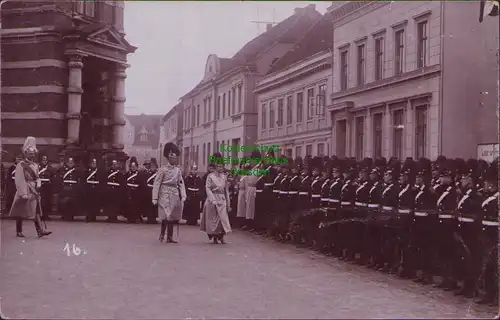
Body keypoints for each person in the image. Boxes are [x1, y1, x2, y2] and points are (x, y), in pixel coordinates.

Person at [9, 136, 52, 238]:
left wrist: (38, 183)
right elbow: (19, 179)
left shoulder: (36, 165)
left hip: (33, 190)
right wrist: (23, 193)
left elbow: (37, 177)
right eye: (30, 153)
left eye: (33, 153)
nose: (32, 155)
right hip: (24, 189)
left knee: (36, 210)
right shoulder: (21, 165)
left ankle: (40, 230)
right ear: (26, 153)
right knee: (21, 210)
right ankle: (18, 231)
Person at [153, 143, 186, 243]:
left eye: (175, 158)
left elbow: (181, 183)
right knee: (166, 215)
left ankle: (170, 237)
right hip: (164, 192)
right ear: (169, 158)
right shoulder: (163, 169)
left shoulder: (177, 170)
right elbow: (157, 183)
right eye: (172, 158)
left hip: (174, 193)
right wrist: (154, 197)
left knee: (172, 215)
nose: (174, 160)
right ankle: (162, 234)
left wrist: (183, 194)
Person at [200, 152, 232, 244]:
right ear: (215, 167)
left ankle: (221, 236)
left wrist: (228, 204)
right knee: (214, 219)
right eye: (218, 166)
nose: (220, 168)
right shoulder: (210, 176)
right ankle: (214, 236)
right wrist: (212, 199)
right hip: (213, 199)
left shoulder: (224, 177)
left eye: (222, 166)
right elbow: (208, 188)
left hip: (222, 199)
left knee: (223, 218)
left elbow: (226, 190)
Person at [125, 157, 144, 223]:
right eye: (132, 166)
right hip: (129, 192)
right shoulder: (127, 174)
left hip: (137, 192)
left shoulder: (139, 174)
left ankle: (136, 218)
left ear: (136, 167)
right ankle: (130, 218)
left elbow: (141, 184)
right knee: (129, 205)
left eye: (134, 166)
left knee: (136, 206)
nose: (133, 168)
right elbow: (125, 183)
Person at [84, 158, 102, 222]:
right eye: (93, 163)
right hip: (89, 189)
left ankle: (94, 216)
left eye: (95, 163)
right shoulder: (87, 171)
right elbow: (85, 180)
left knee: (95, 204)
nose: (94, 164)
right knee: (89, 204)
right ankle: (88, 216)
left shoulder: (98, 171)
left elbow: (100, 181)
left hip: (96, 190)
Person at [143, 158, 159, 224]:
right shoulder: (147, 173)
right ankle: (149, 218)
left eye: (154, 167)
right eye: (152, 166)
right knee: (148, 205)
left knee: (155, 205)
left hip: (155, 190)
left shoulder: (158, 174)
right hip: (149, 191)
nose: (153, 168)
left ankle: (154, 218)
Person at [38, 154, 53, 220]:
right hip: (39, 185)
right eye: (43, 160)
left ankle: (46, 215)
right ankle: (39, 215)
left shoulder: (50, 168)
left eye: (45, 160)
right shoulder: (37, 167)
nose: (44, 161)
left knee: (47, 201)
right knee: (39, 201)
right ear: (41, 161)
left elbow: (53, 177)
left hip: (47, 186)